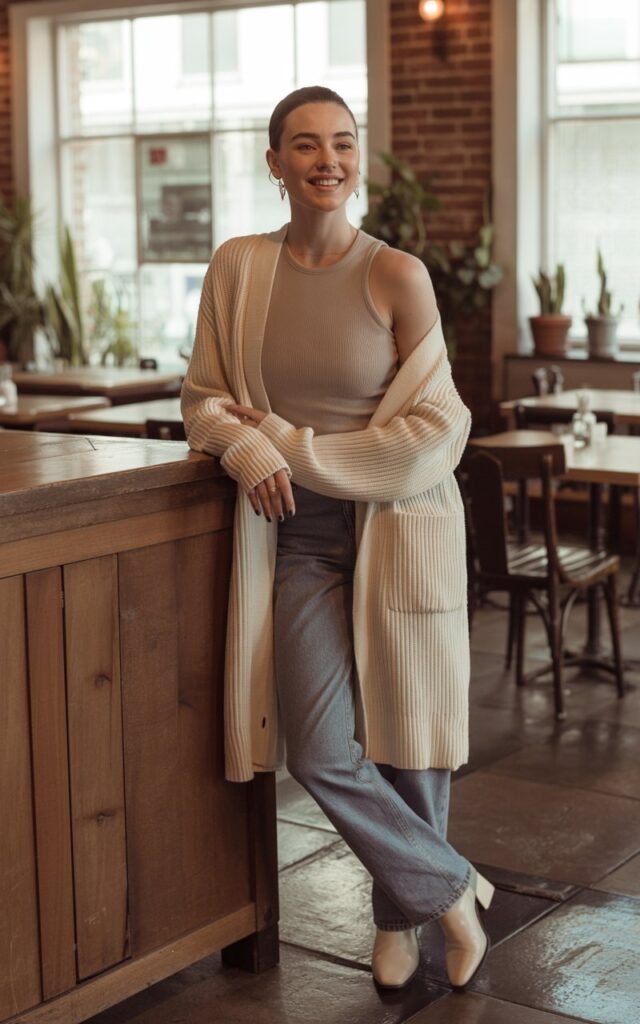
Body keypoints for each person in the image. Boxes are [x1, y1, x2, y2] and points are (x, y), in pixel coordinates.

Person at [181, 85, 494, 993]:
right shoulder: (239, 268)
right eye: (306, 145)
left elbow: (440, 428)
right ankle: (444, 885)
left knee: (409, 733)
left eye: (344, 144)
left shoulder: (397, 274)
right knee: (319, 749)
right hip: (295, 536)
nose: (329, 161)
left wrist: (290, 445)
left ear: (359, 157)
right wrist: (243, 444)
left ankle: (401, 917)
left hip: (400, 525)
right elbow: (204, 398)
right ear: (273, 161)